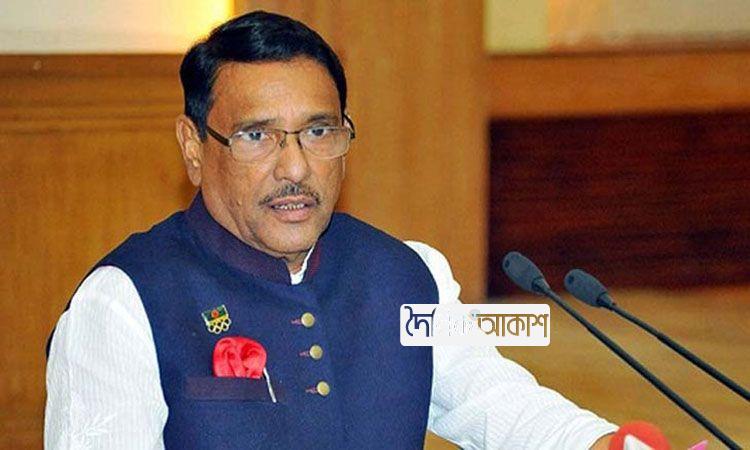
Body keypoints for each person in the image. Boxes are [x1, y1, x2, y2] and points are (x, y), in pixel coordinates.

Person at [45, 11, 617, 449]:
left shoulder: (407, 276)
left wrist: (612, 444)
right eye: (257, 136)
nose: (295, 169)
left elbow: (498, 401)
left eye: (319, 132)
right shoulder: (123, 304)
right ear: (194, 148)